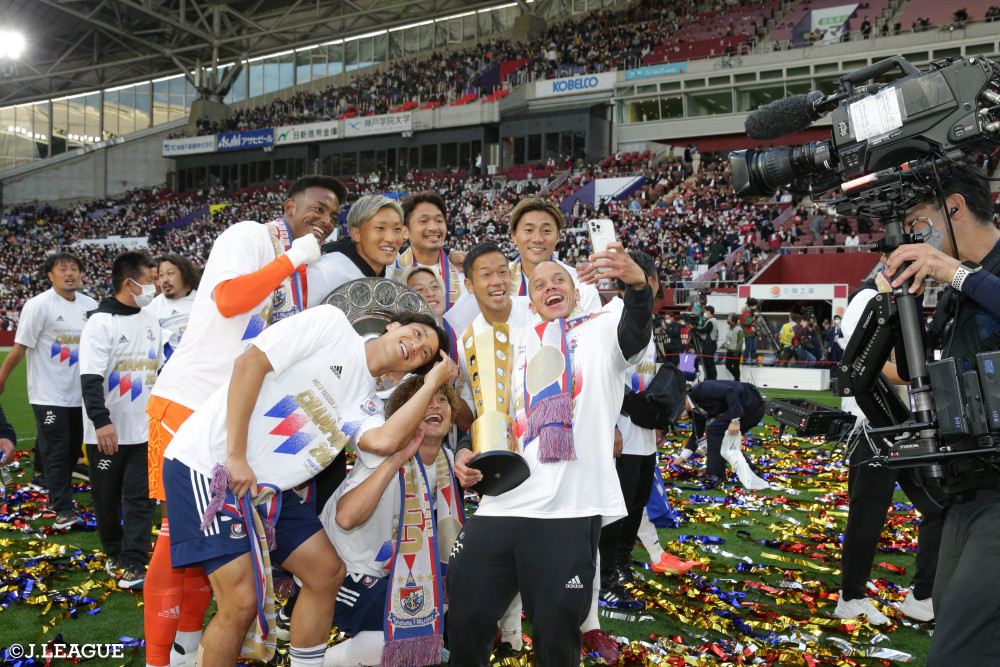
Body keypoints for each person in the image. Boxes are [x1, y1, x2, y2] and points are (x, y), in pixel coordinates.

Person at [162, 304, 455, 667]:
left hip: (263, 490)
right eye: (417, 333)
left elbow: (384, 442)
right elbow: (250, 363)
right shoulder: (331, 324)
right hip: (211, 465)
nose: (416, 345)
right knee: (240, 602)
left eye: (425, 354)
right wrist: (235, 455)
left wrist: (432, 383)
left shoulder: (365, 403)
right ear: (392, 325)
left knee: (326, 572)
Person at [144, 175, 345, 667]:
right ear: (288, 207)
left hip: (231, 419)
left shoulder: (302, 271)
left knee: (210, 546)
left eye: (332, 215)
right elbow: (230, 300)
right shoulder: (249, 236)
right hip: (188, 403)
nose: (324, 220)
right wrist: (293, 257)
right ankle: (158, 659)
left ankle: (187, 649)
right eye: (317, 208)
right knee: (178, 540)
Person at [448, 244, 654, 666]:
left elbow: (635, 330)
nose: (549, 287)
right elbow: (496, 416)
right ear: (532, 301)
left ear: (576, 293)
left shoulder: (602, 329)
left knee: (556, 633)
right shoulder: (515, 345)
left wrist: (636, 287)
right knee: (466, 617)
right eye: (539, 284)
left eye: (560, 280)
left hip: (568, 510)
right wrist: (467, 451)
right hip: (502, 504)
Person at [882, 165, 1000, 666]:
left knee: (959, 650)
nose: (915, 236)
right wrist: (899, 306)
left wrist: (954, 272)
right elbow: (915, 366)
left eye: (918, 221)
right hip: (968, 486)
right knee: (952, 629)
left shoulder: (965, 277)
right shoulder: (958, 287)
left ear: (954, 208)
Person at [320, 376, 464, 667]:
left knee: (450, 601)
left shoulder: (446, 461)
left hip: (387, 570)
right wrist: (394, 461)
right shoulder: (383, 454)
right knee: (412, 625)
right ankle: (314, 662)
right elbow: (346, 518)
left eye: (442, 399)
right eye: (424, 401)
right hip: (339, 569)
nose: (435, 405)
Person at [833, 279, 942, 627]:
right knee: (868, 516)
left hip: (904, 422)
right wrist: (926, 373)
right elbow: (867, 365)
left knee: (939, 504)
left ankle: (922, 595)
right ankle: (851, 598)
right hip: (873, 425)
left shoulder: (900, 300)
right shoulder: (868, 299)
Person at [80, 252, 164, 590]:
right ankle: (114, 550)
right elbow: (90, 378)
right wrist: (101, 421)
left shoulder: (151, 319)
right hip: (107, 432)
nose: (155, 286)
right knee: (106, 498)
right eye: (149, 279)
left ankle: (133, 561)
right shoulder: (100, 323)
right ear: (129, 284)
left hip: (144, 429)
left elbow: (158, 370)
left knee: (140, 498)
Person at [0, 252, 98, 530]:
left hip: (80, 395)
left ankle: (58, 498)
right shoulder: (38, 305)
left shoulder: (91, 305)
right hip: (49, 394)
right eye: (62, 269)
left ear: (81, 274)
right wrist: (2, 379)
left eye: (74, 269)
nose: (69, 274)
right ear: (50, 275)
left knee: (72, 451)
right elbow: (20, 347)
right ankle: (64, 509)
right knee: (56, 449)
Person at [597, 251, 663, 607]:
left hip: (645, 434)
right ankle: (605, 576)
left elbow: (647, 374)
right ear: (647, 280)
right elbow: (602, 377)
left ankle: (621, 564)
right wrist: (612, 426)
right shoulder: (611, 316)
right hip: (620, 433)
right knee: (615, 510)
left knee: (636, 504)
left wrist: (659, 419)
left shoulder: (644, 318)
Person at [307, 195, 405, 307]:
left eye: (397, 229)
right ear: (356, 234)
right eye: (380, 228)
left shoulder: (396, 262)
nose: (391, 239)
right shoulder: (323, 271)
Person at [390, 191, 467, 311]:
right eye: (423, 221)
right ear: (405, 232)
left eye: (439, 221)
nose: (433, 227)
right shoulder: (391, 271)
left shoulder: (462, 271)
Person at [683, 380, 767, 486]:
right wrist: (681, 458)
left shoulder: (700, 390)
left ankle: (716, 475)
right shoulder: (694, 411)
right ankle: (752, 471)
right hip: (748, 406)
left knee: (714, 432)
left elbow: (730, 391)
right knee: (721, 438)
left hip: (751, 404)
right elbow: (697, 435)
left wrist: (734, 420)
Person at [145, 254, 200, 360]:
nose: (165, 279)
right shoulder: (152, 309)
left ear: (184, 274)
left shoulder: (203, 300)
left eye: (170, 273)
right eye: (161, 275)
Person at [694, 305, 719, 381]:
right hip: (709, 344)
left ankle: (711, 378)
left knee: (709, 363)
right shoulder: (712, 320)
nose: (704, 313)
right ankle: (709, 377)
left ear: (709, 312)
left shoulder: (711, 321)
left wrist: (695, 329)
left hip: (709, 345)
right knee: (708, 363)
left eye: (705, 311)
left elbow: (704, 330)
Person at [721, 314, 743, 381]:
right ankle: (737, 377)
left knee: (736, 366)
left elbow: (740, 341)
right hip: (730, 350)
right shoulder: (730, 328)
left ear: (733, 321)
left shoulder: (739, 329)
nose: (728, 320)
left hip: (736, 351)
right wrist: (727, 345)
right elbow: (730, 338)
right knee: (728, 365)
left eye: (729, 319)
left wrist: (737, 351)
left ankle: (737, 379)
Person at [739, 298, 758, 365]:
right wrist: (755, 321)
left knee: (753, 348)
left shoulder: (750, 313)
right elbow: (749, 323)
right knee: (749, 347)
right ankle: (745, 360)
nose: (755, 307)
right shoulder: (746, 313)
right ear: (750, 306)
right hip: (748, 333)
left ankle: (753, 360)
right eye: (754, 305)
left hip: (751, 333)